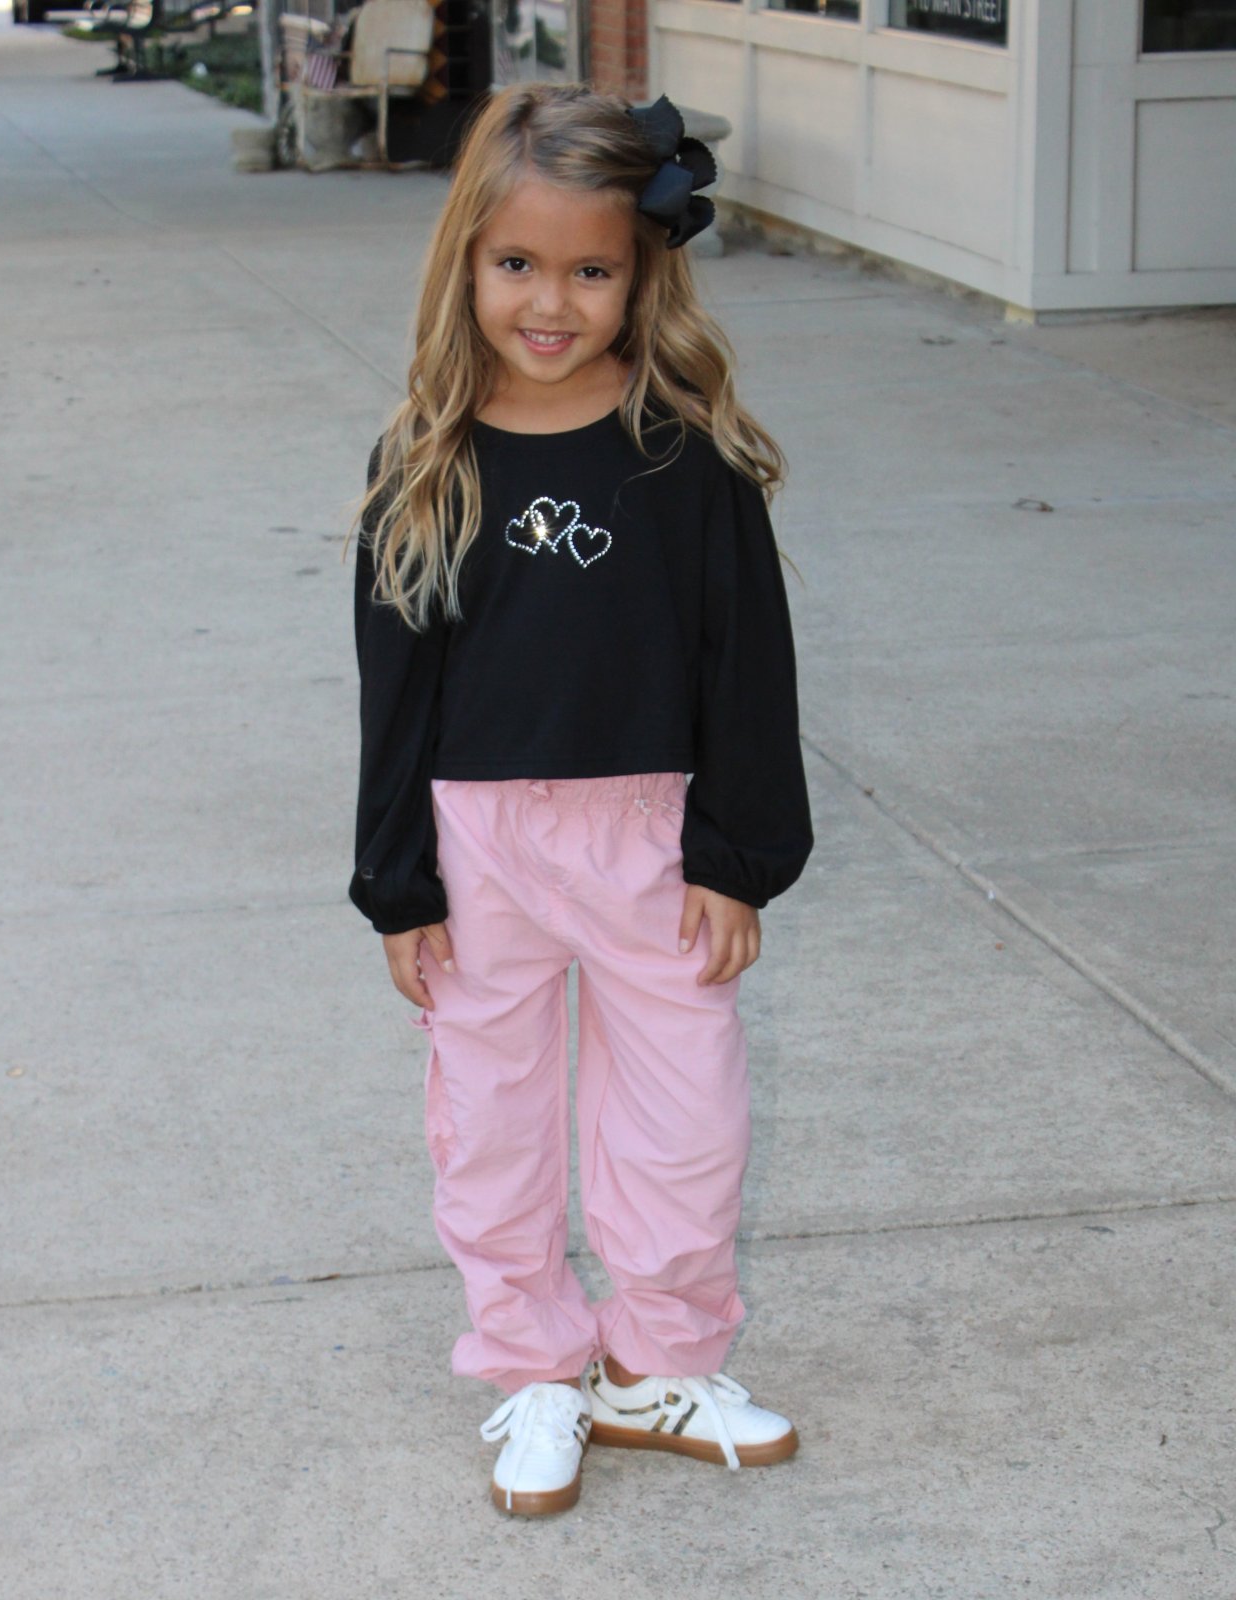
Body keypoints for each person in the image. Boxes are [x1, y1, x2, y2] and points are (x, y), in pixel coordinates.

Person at [348, 82, 813, 1517]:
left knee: (687, 1117)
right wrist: (399, 881)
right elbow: (392, 688)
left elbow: (747, 665)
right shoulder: (426, 459)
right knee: (489, 1123)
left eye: (591, 271)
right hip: (477, 847)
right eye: (517, 264)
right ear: (466, 262)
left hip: (651, 843)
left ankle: (657, 1362)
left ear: (641, 274)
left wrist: (736, 854)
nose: (550, 302)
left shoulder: (685, 456)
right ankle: (537, 1368)